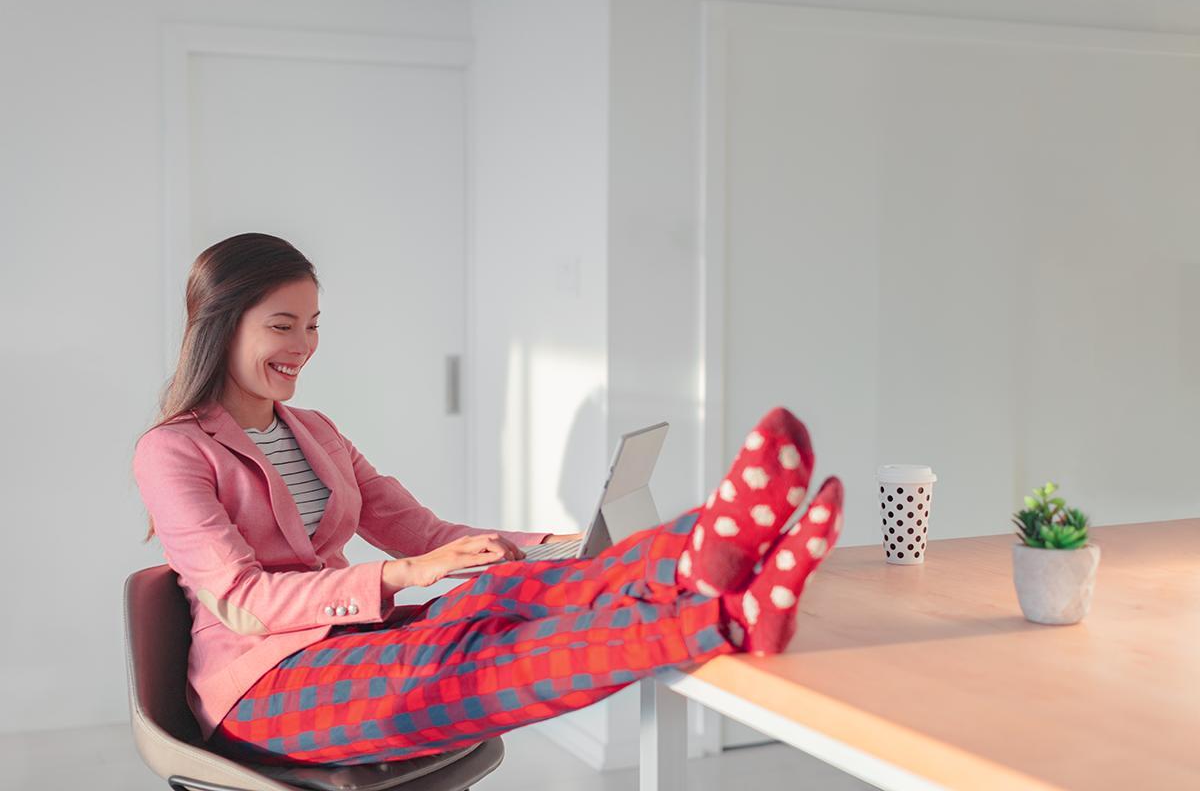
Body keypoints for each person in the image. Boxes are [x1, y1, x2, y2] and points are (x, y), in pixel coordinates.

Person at [132, 232, 844, 767]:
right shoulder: (173, 451)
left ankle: (703, 548)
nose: (305, 345)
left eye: (313, 324)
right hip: (260, 691)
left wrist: (556, 548)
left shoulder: (315, 432)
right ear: (219, 327)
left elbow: (425, 533)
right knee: (470, 659)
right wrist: (404, 576)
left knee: (493, 598)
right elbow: (243, 599)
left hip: (346, 649)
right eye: (282, 326)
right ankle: (727, 617)